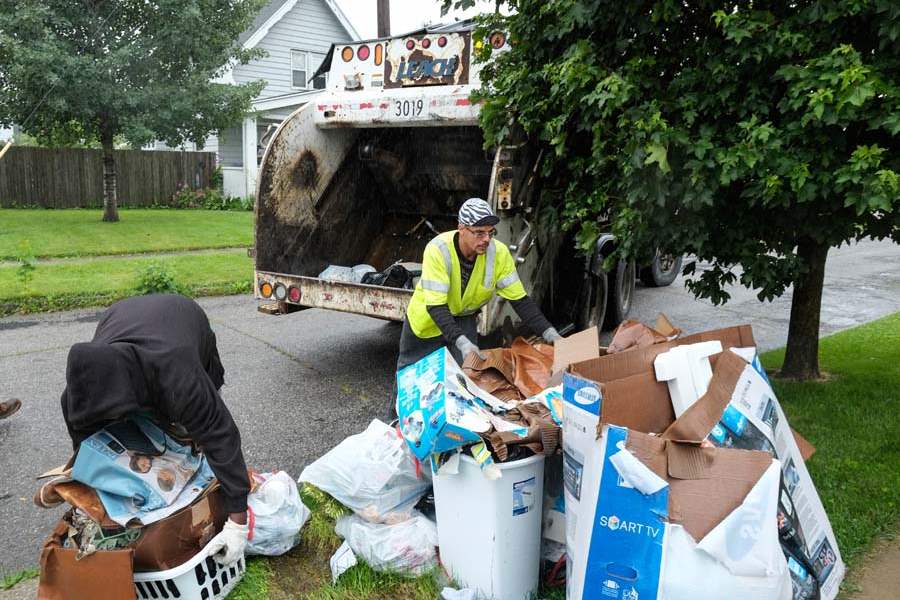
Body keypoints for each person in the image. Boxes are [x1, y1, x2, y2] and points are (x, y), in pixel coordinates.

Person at [58, 294, 250, 566]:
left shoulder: (180, 378)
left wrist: (238, 523)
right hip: (121, 316)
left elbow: (221, 434)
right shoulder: (83, 384)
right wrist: (95, 477)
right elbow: (83, 436)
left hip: (183, 316)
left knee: (201, 422)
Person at [398, 197, 561, 374]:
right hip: (427, 322)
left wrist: (549, 333)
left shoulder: (499, 253)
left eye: (491, 233)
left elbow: (520, 300)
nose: (486, 239)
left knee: (465, 380)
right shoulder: (438, 250)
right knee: (412, 381)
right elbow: (436, 306)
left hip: (463, 319)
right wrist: (462, 342)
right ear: (461, 229)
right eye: (479, 233)